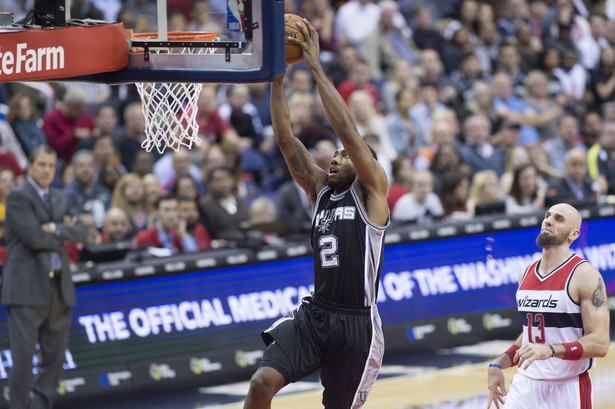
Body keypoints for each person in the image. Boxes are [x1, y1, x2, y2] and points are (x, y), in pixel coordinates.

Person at [243, 18, 389, 409]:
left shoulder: (372, 191)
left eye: (345, 154)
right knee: (261, 383)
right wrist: (277, 79)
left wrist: (315, 67)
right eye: (335, 154)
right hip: (316, 314)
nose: (337, 157)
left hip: (357, 324)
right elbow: (286, 138)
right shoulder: (320, 190)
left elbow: (345, 129)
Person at [487, 203, 610, 409]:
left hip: (567, 387)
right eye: (547, 215)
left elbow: (600, 343)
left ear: (574, 234)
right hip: (525, 385)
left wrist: (550, 351)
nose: (548, 220)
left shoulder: (585, 275)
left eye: (558, 219)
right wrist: (499, 363)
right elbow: (532, 333)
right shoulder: (525, 274)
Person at [1, 145, 87, 409]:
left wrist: (54, 228)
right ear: (30, 166)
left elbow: (83, 232)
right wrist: (63, 233)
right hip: (27, 287)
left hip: (58, 286)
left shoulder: (61, 197)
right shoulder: (18, 197)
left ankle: (41, 404)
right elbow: (33, 238)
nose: (47, 170)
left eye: (51, 166)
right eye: (41, 164)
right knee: (24, 357)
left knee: (55, 357)